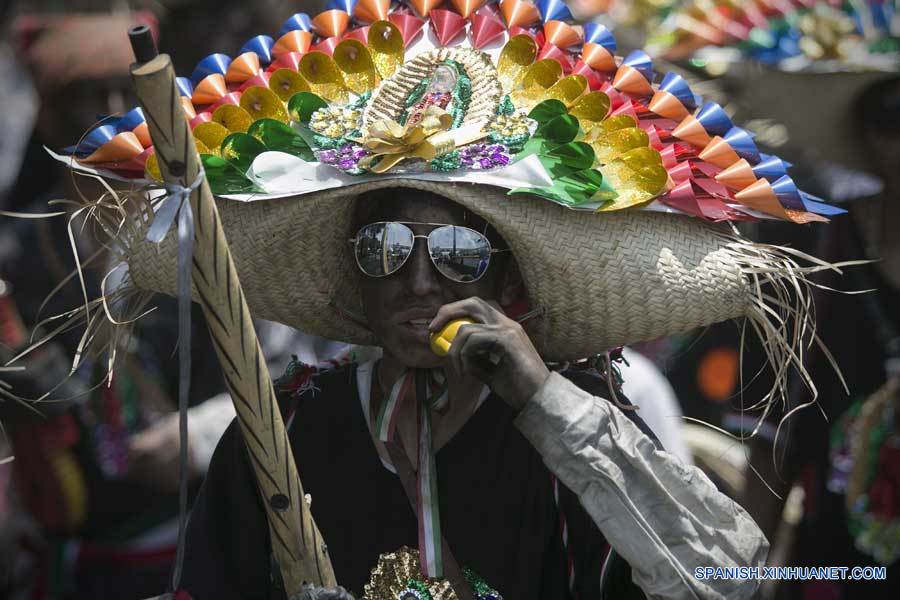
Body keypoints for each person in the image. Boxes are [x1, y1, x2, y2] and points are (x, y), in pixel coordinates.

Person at [46, 1, 851, 597]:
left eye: (460, 255)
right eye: (385, 249)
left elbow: (728, 577)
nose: (420, 280)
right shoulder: (286, 428)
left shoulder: (579, 424)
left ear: (508, 283)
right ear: (356, 274)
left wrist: (543, 401)